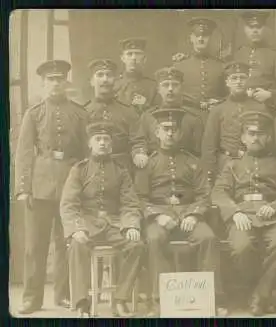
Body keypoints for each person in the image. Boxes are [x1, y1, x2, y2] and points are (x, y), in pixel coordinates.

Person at [134, 108, 227, 317]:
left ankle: (212, 298)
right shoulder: (148, 163)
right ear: (156, 132)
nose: (170, 134)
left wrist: (194, 215)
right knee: (154, 238)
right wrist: (158, 215)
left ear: (180, 133)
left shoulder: (193, 161)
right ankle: (159, 300)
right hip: (159, 215)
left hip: (189, 213)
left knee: (208, 238)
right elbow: (139, 198)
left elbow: (205, 194)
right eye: (165, 129)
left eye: (174, 130)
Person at [14, 60, 87, 314]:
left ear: (66, 82)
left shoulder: (79, 113)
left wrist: (83, 186)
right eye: (51, 80)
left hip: (70, 183)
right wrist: (23, 187)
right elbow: (24, 153)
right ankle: (31, 299)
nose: (56, 84)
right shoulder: (34, 114)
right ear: (43, 83)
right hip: (40, 185)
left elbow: (86, 152)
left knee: (65, 242)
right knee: (35, 245)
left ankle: (64, 294)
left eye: (60, 79)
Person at [211, 111, 276, 316]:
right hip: (242, 216)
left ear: (268, 137)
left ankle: (260, 295)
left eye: (260, 134)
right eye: (251, 133)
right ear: (243, 137)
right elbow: (218, 192)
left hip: (272, 218)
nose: (255, 138)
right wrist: (234, 213)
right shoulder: (232, 165)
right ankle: (258, 293)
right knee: (242, 247)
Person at [60, 121, 144, 318]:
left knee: (137, 245)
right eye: (98, 139)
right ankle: (82, 303)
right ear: (90, 144)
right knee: (76, 244)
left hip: (114, 225)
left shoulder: (121, 171)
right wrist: (77, 228)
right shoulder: (79, 170)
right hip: (88, 225)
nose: (103, 143)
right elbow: (69, 204)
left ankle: (121, 299)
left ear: (112, 145)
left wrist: (131, 225)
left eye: (106, 139)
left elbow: (130, 203)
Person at [202, 61, 271, 185]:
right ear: (227, 82)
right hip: (225, 164)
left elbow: (269, 142)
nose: (238, 82)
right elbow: (209, 145)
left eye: (242, 78)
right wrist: (211, 173)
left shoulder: (260, 107)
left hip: (254, 164)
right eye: (234, 78)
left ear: (248, 80)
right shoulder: (218, 110)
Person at [84, 59, 147, 172]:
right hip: (92, 169)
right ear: (91, 81)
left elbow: (138, 140)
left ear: (115, 80)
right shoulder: (84, 112)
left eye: (109, 75)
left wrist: (139, 153)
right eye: (100, 75)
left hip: (123, 168)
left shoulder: (128, 111)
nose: (105, 79)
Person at [135, 66, 204, 158]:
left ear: (182, 88)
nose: (170, 89)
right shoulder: (147, 117)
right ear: (158, 89)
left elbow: (198, 152)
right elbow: (140, 142)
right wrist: (140, 153)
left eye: (175, 85)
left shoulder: (193, 118)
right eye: (165, 85)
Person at [231, 10, 276, 112]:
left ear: (265, 29)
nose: (255, 31)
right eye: (251, 27)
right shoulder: (237, 55)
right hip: (238, 109)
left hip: (265, 109)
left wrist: (271, 94)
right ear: (245, 29)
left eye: (259, 27)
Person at [172, 17, 227, 123]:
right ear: (191, 38)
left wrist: (219, 102)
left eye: (205, 36)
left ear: (210, 38)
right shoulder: (179, 65)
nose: (200, 39)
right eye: (197, 35)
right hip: (186, 118)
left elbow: (228, 95)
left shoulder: (221, 66)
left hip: (214, 118)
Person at [114, 37, 159, 114]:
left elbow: (158, 115)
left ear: (144, 58)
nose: (133, 58)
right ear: (123, 58)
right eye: (129, 54)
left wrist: (146, 105)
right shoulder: (114, 85)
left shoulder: (153, 87)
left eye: (137, 54)